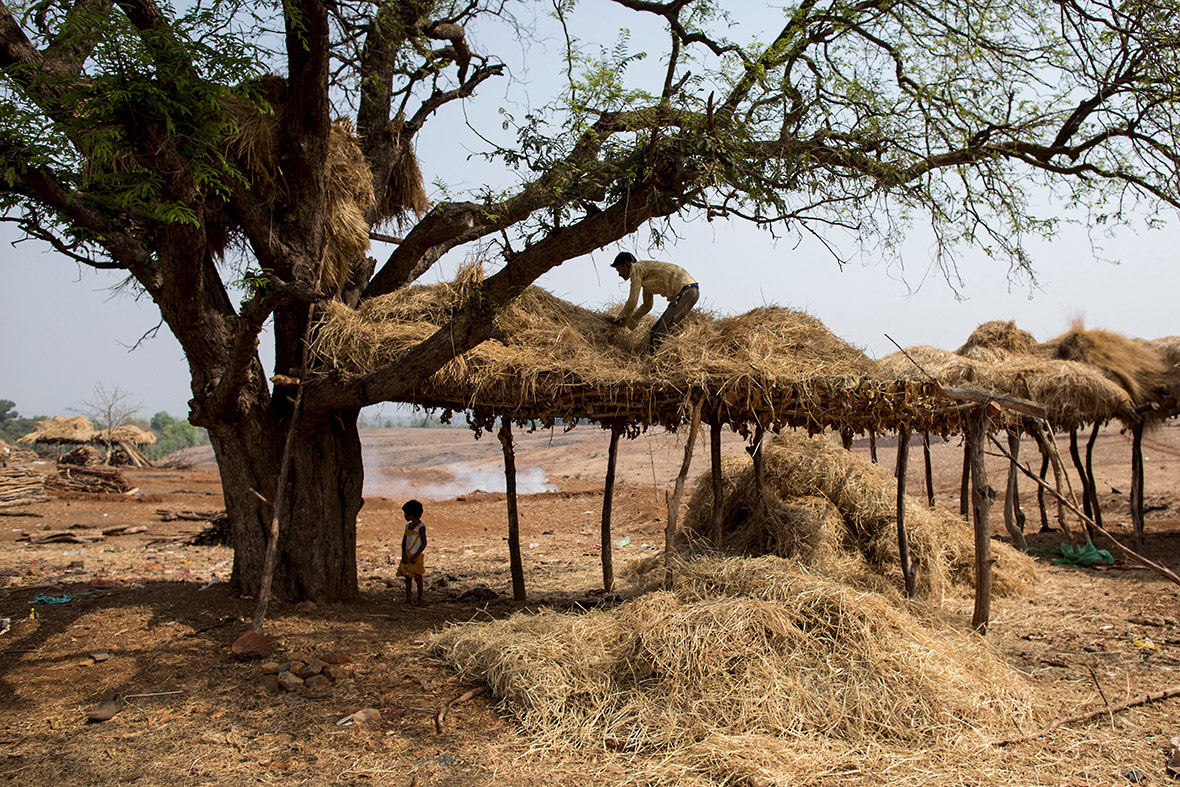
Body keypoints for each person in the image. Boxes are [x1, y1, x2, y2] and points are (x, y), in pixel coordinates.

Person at [609, 252, 700, 349]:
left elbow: (632, 301)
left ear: (627, 264)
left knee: (661, 333)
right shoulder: (645, 275)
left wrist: (619, 319)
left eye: (619, 269)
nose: (619, 274)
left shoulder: (636, 268)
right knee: (654, 331)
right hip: (685, 293)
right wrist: (630, 324)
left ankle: (657, 359)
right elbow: (647, 305)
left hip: (686, 292)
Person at [396, 499, 427, 604]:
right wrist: (403, 554)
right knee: (407, 578)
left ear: (412, 514)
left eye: (406, 514)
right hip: (408, 556)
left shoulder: (420, 527)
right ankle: (408, 599)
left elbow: (424, 543)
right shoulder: (408, 527)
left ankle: (419, 598)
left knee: (418, 578)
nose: (404, 516)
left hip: (416, 557)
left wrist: (415, 556)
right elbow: (404, 542)